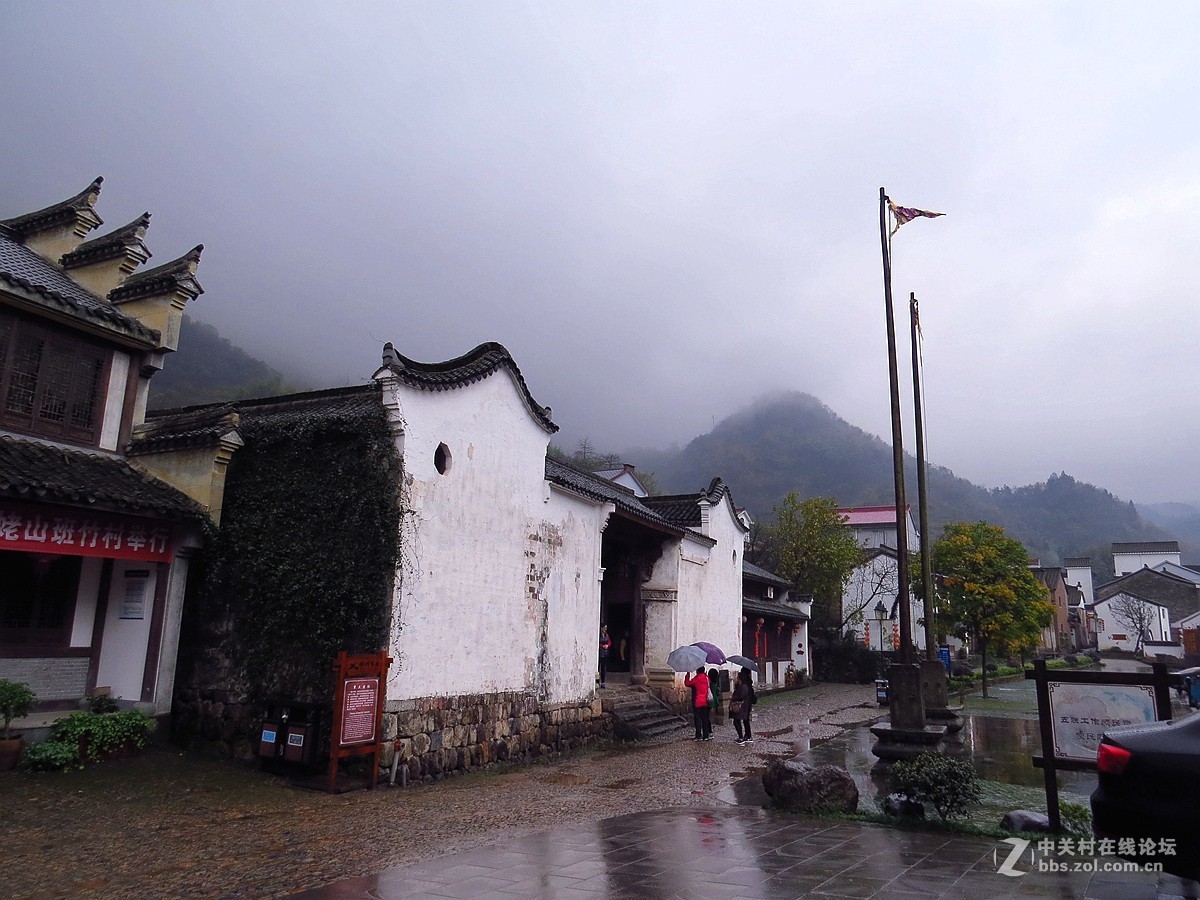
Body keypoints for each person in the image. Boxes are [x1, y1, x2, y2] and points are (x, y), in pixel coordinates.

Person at [683, 665, 711, 740]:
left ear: (697, 671)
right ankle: (706, 735)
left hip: (698, 702)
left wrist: (688, 674)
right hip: (705, 701)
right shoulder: (707, 678)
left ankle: (698, 735)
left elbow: (687, 683)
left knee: (697, 718)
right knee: (705, 718)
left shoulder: (697, 679)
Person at [731, 667, 756, 744]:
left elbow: (741, 695)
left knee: (742, 720)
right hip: (747, 704)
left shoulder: (744, 685)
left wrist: (733, 697)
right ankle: (747, 736)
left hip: (743, 704)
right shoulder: (748, 682)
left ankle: (744, 737)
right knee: (746, 720)